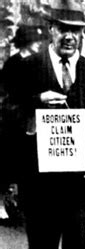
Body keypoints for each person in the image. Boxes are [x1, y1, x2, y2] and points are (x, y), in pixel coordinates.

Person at [16, 0, 85, 249]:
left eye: (76, 31)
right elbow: (8, 117)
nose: (70, 37)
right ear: (51, 29)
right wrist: (37, 101)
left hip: (81, 189)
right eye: (63, 29)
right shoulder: (28, 66)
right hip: (41, 191)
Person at [0, 24, 48, 224]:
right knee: (8, 162)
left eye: (38, 41)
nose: (38, 44)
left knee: (30, 162)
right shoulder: (13, 63)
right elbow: (9, 95)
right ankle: (2, 203)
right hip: (15, 119)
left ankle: (23, 203)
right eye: (34, 41)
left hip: (36, 118)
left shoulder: (39, 63)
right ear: (25, 42)